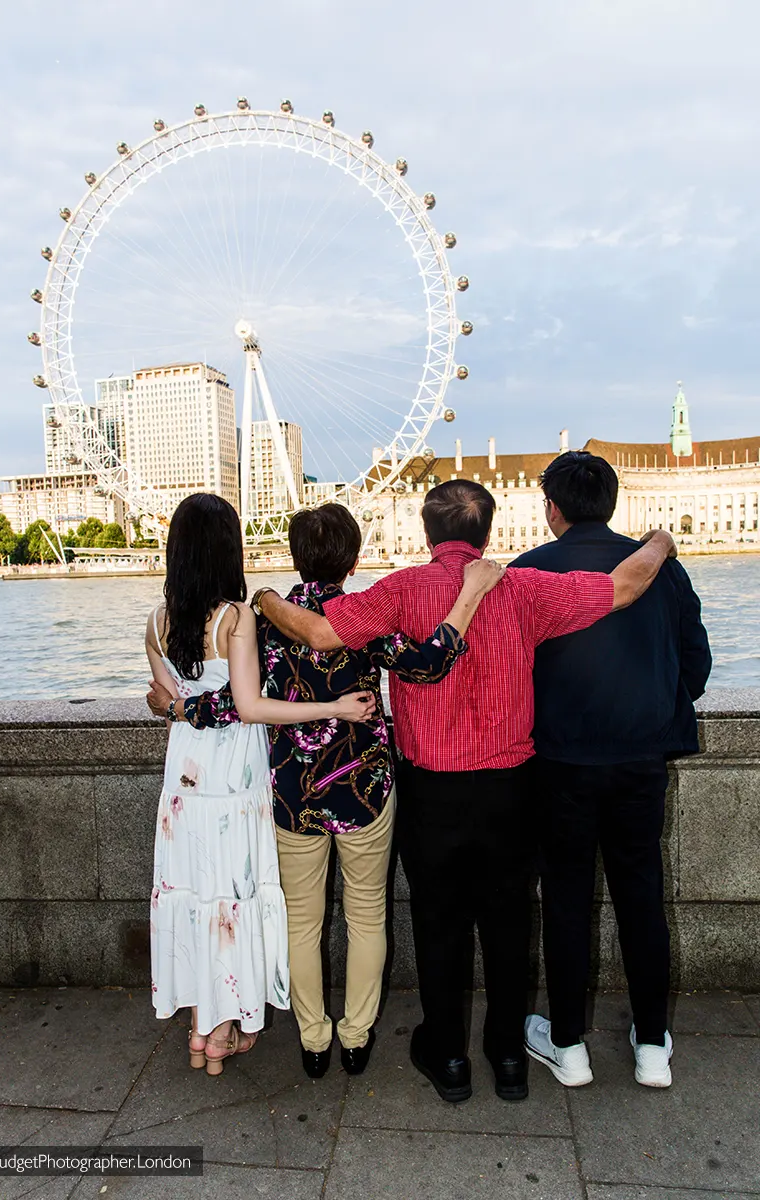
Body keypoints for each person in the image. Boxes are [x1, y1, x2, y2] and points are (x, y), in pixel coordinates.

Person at [248, 480, 679, 1104]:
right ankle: (507, 1056)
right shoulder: (523, 588)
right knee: (509, 922)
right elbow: (625, 585)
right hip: (511, 785)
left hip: (432, 790)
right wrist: (659, 539)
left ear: (428, 534)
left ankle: (447, 1054)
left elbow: (317, 633)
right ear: (486, 531)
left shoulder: (400, 590)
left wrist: (262, 596)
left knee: (438, 921)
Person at [147, 503, 500, 1079]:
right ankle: (356, 1035)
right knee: (367, 916)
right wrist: (468, 598)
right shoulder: (363, 617)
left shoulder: (260, 619)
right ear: (355, 559)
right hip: (365, 788)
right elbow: (429, 663)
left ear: (292, 555)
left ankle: (313, 1038)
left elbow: (234, 704)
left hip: (291, 792)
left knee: (301, 922)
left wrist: (180, 707)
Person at [145, 494, 376, 1076]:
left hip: (184, 776)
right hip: (234, 776)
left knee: (196, 894)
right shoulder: (237, 618)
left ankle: (204, 1026)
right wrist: (334, 707)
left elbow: (173, 702)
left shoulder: (154, 620)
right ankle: (224, 1030)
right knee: (232, 895)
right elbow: (249, 706)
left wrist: (175, 707)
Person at [512, 451, 711, 1089]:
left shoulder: (527, 573)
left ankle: (568, 1045)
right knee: (642, 898)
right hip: (638, 762)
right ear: (613, 502)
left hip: (559, 764)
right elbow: (695, 665)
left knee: (567, 901)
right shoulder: (662, 572)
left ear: (552, 508)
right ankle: (652, 1044)